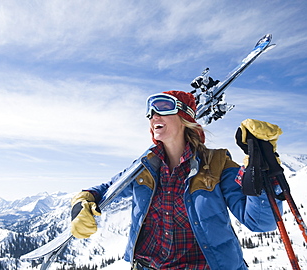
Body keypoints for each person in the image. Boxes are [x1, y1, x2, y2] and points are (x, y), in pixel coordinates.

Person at [70, 90, 283, 270]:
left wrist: (259, 170)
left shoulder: (217, 164)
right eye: (150, 113)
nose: (153, 116)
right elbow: (107, 189)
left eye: (162, 107)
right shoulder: (145, 166)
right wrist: (81, 203)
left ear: (185, 118)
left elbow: (261, 222)